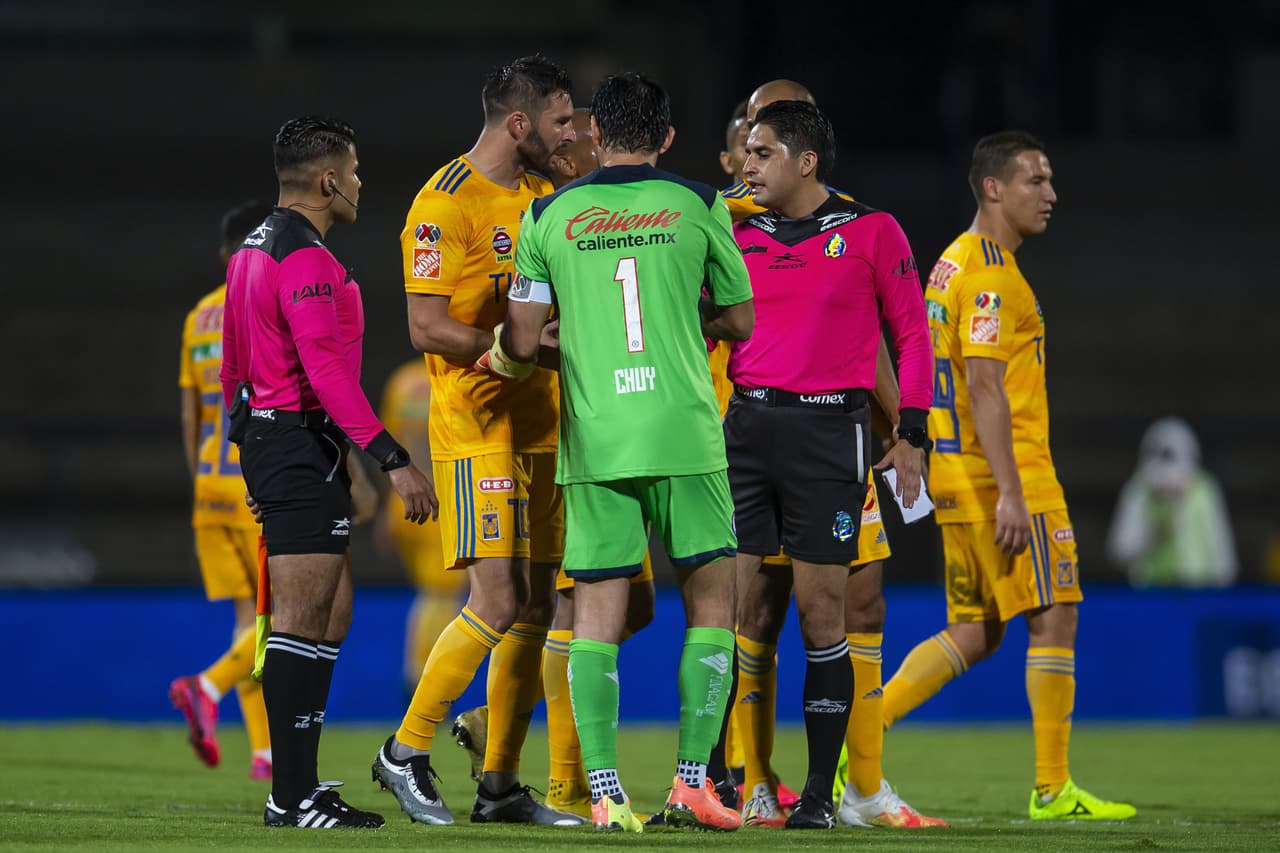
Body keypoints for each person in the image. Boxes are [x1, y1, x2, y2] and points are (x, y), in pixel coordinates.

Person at [480, 71, 755, 833]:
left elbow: (523, 339)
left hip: (597, 438)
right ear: (667, 138)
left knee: (595, 618)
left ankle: (603, 793)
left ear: (596, 135)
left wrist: (535, 352)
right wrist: (689, 312)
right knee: (711, 611)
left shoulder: (548, 213)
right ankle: (693, 783)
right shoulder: (701, 204)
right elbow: (739, 319)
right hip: (685, 433)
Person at [882, 131, 1136, 821]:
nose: (1050, 194)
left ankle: (861, 742)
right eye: (1035, 180)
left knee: (975, 630)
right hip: (1007, 475)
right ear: (993, 187)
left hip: (956, 474)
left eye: (1050, 180)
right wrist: (1016, 495)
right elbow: (987, 387)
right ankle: (1052, 786)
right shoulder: (992, 274)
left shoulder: (950, 263)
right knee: (1055, 616)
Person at [371, 54, 585, 828]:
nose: (572, 134)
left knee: (535, 604)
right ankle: (404, 750)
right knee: (494, 597)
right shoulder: (443, 203)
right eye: (561, 120)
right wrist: (516, 346)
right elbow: (426, 325)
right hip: (477, 423)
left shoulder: (544, 196)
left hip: (544, 425)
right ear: (520, 122)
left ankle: (499, 783)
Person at [221, 115, 437, 830]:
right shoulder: (306, 258)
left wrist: (243, 440)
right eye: (355, 169)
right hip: (294, 440)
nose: (360, 181)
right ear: (327, 180)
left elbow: (233, 364)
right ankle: (291, 795)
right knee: (303, 615)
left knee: (331, 612)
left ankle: (302, 783)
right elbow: (324, 369)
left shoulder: (252, 250)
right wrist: (392, 457)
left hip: (286, 441)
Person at [724, 100, 934, 830]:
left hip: (828, 432)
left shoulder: (873, 230)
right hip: (744, 428)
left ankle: (820, 793)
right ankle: (743, 784)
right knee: (738, 615)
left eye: (760, 152)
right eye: (747, 153)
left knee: (822, 615)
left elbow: (912, 334)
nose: (745, 164)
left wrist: (912, 429)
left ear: (805, 162)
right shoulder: (732, 229)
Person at [171, 200, 274, 781]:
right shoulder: (256, 303)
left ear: (221, 254)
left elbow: (190, 419)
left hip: (208, 491)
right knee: (278, 622)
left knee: (248, 621)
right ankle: (205, 686)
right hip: (252, 485)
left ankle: (263, 752)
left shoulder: (197, 317)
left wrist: (199, 488)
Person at [377, 359, 469, 697]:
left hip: (402, 503)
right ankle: (422, 681)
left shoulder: (400, 381)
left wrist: (389, 513)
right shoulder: (454, 377)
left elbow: (387, 447)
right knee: (441, 595)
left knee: (431, 594)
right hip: (440, 503)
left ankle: (423, 679)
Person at [1107, 416, 1237, 586]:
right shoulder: (1138, 490)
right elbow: (1120, 551)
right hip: (1151, 595)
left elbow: (1223, 554)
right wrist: (1151, 536)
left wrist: (1220, 596)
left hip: (1199, 593)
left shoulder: (1206, 490)